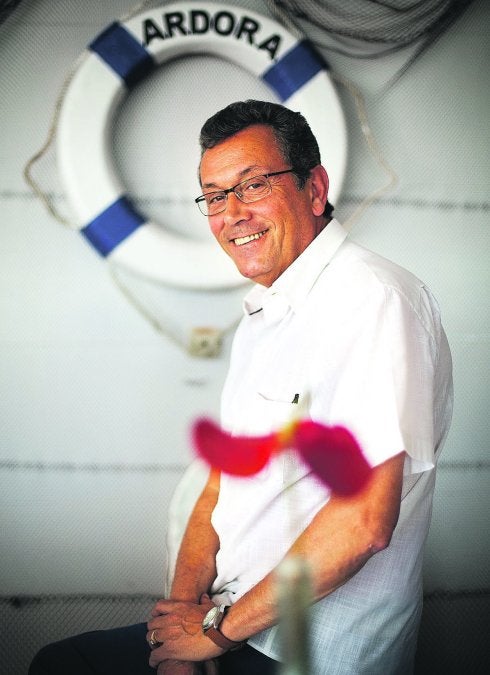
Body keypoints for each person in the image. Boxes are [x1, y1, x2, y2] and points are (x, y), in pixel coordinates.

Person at [30, 99, 453, 675]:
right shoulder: (266, 313)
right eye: (213, 195)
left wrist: (214, 634)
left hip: (306, 651)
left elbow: (362, 523)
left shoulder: (373, 299)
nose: (231, 213)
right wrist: (179, 628)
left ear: (314, 188)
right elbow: (218, 485)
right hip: (230, 626)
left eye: (253, 185)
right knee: (63, 663)